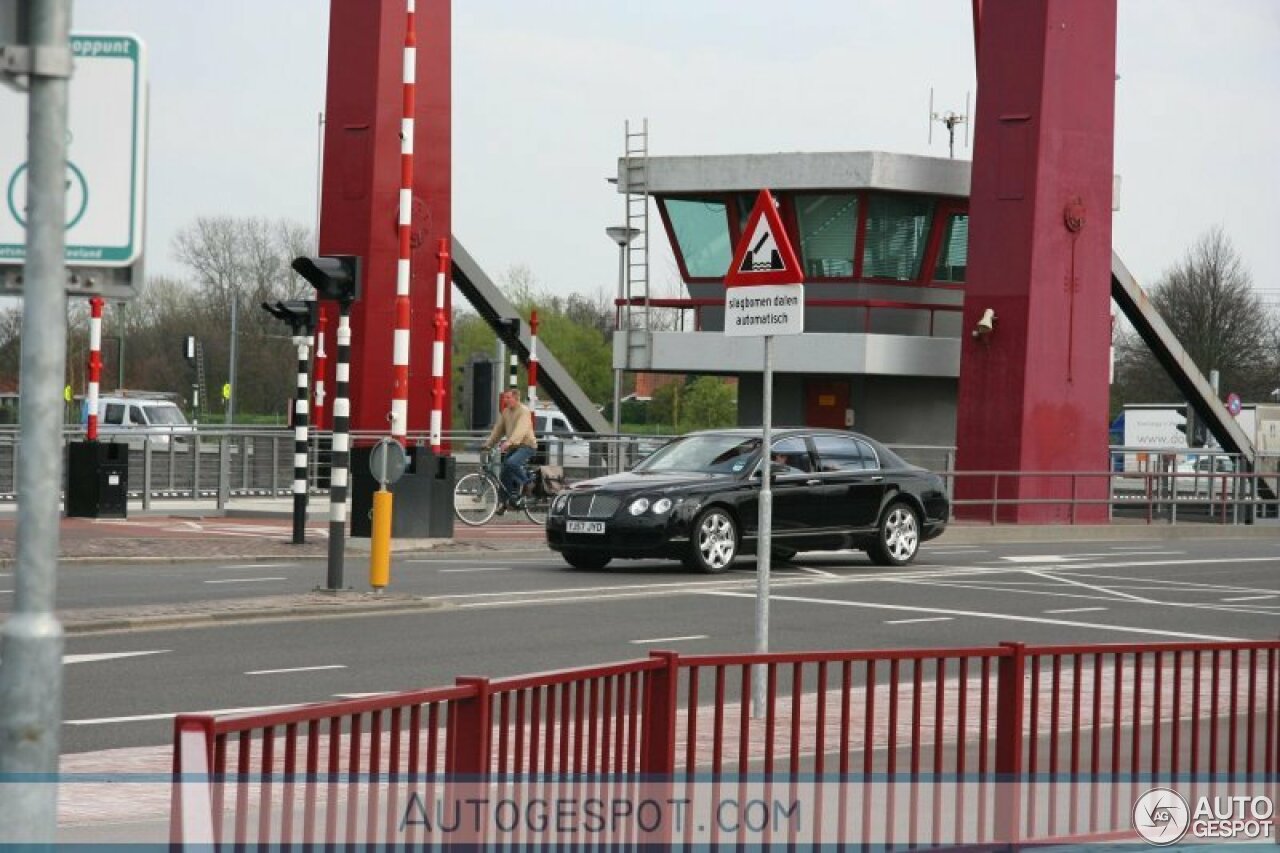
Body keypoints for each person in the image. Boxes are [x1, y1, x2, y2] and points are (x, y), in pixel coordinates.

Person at [481, 390, 539, 508]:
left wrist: (509, 442)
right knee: (504, 473)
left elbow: (521, 429)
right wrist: (488, 444)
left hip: (526, 445)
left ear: (516, 398)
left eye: (508, 397)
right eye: (504, 398)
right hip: (513, 446)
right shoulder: (506, 412)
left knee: (511, 463)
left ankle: (529, 483)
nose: (505, 400)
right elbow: (498, 430)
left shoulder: (524, 411)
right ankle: (504, 503)